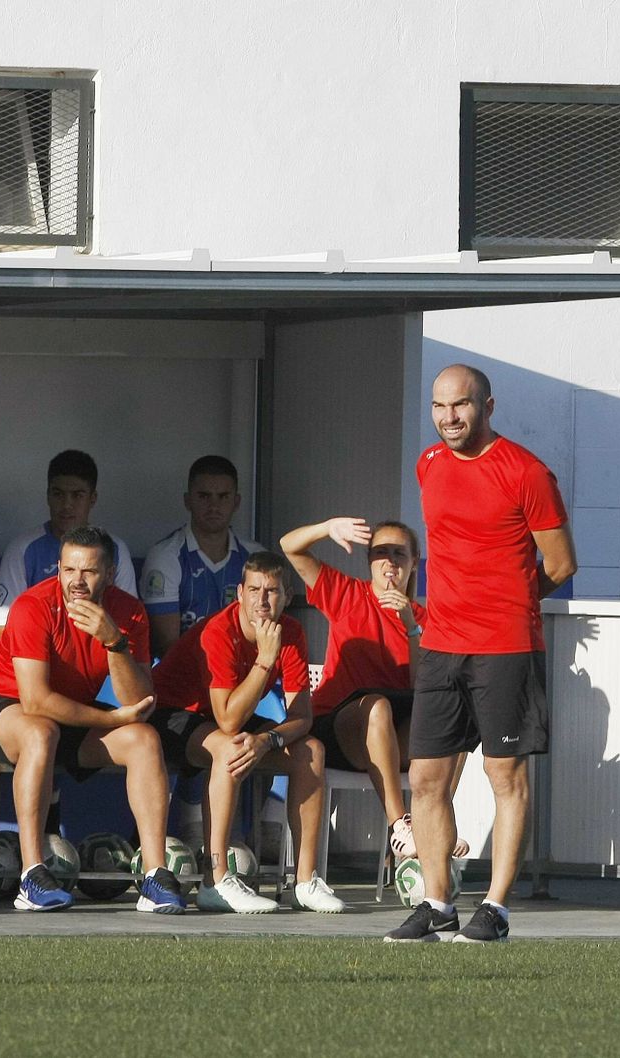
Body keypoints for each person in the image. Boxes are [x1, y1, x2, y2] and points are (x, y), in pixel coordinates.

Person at [386, 364, 576, 944]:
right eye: (439, 407)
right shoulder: (429, 465)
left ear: (488, 407)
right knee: (425, 780)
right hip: (441, 647)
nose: (448, 418)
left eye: (460, 406)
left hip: (505, 647)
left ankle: (494, 908)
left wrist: (512, 602)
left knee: (504, 775)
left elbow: (561, 564)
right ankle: (437, 902)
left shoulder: (527, 472)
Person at [0, 526, 184, 913]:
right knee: (39, 732)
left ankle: (155, 876)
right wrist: (111, 718)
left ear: (110, 574)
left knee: (145, 739)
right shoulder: (33, 605)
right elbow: (35, 700)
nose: (76, 582)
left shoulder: (128, 612)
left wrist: (113, 640)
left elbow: (140, 700)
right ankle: (32, 875)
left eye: (89, 572)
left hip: (66, 713)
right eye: (68, 570)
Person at [150, 552, 343, 914]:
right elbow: (227, 720)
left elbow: (302, 716)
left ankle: (305, 880)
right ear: (238, 593)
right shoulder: (218, 630)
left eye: (271, 591)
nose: (262, 600)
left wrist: (268, 739)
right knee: (231, 747)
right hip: (172, 715)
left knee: (311, 750)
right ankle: (215, 881)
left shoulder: (292, 631)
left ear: (287, 596)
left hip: (225, 720)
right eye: (253, 589)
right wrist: (265, 660)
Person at [281, 515, 471, 862]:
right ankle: (400, 824)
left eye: (399, 554)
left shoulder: (424, 619)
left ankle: (435, 822)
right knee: (377, 706)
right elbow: (289, 547)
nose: (390, 562)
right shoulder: (348, 594)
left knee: (457, 717)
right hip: (338, 728)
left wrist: (410, 625)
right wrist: (327, 529)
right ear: (369, 561)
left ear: (414, 563)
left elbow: (423, 687)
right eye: (380, 553)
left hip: (392, 731)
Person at [0, 449, 136, 638]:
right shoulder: (22, 549)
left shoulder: (115, 548)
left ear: (92, 499)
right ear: (48, 496)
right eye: (58, 494)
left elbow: (129, 621)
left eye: (77, 495)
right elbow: (2, 628)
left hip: (99, 657)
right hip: (38, 659)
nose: (67, 504)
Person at [140, 455, 262, 660]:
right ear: (188, 501)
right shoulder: (165, 557)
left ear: (236, 502)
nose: (214, 506)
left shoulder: (256, 557)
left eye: (223, 496)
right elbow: (168, 647)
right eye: (204, 496)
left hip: (241, 671)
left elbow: (263, 636)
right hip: (182, 676)